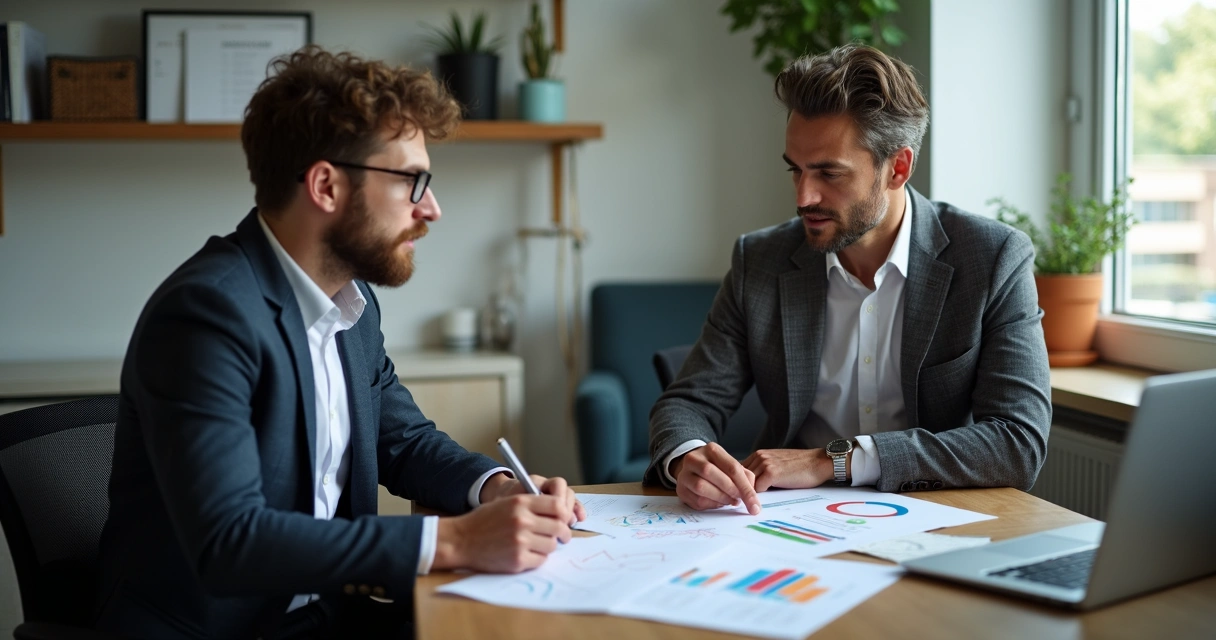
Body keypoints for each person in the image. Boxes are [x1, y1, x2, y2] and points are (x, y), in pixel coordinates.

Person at [95, 47, 585, 640]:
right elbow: (231, 541)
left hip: (328, 614)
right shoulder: (206, 315)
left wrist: (496, 490)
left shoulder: (351, 302)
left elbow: (403, 440)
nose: (431, 208)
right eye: (412, 181)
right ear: (325, 185)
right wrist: (454, 539)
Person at [645, 44, 1051, 515]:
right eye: (795, 170)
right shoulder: (760, 260)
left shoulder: (992, 257)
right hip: (782, 522)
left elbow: (1018, 441)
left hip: (935, 517)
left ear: (897, 168)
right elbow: (689, 401)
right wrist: (687, 457)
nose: (803, 196)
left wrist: (834, 460)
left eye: (829, 174)